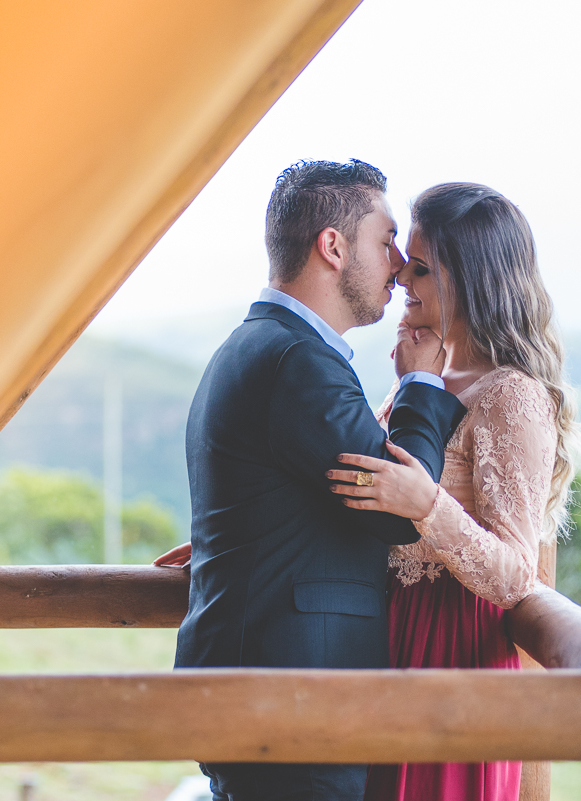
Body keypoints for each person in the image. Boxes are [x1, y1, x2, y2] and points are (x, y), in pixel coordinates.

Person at [158, 160, 466, 801]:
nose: (398, 265)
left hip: (265, 686)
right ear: (333, 247)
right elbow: (397, 506)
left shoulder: (258, 344)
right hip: (291, 698)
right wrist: (421, 383)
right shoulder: (299, 361)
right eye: (387, 241)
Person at [326, 183, 579, 801]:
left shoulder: (511, 395)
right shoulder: (424, 376)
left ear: (468, 279)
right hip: (386, 636)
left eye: (420, 268)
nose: (400, 278)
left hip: (453, 650)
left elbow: (515, 575)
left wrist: (427, 506)